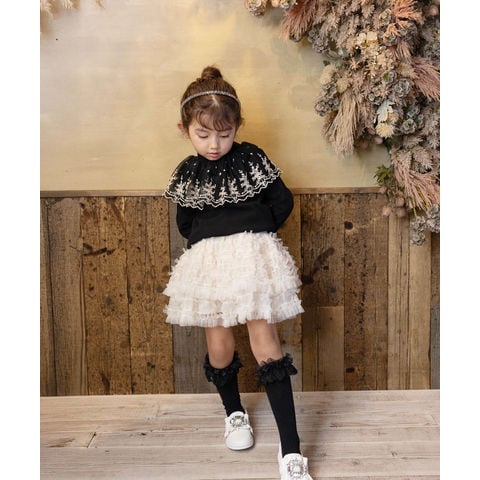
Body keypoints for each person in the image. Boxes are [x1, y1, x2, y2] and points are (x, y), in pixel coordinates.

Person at [163, 65, 313, 480]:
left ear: (237, 126)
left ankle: (291, 449)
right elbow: (186, 223)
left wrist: (256, 234)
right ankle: (233, 413)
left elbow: (281, 201)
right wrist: (213, 244)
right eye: (203, 135)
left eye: (224, 134)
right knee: (219, 345)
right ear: (184, 129)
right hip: (209, 263)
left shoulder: (252, 158)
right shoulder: (188, 172)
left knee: (267, 343)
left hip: (252, 257)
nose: (214, 144)